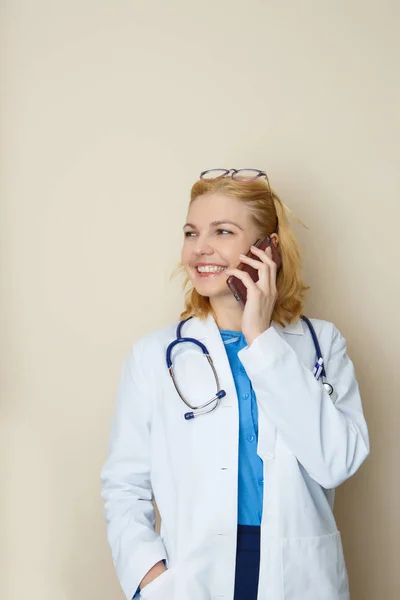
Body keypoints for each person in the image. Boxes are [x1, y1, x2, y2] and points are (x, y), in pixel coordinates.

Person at [100, 168, 369, 600]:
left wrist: (261, 338)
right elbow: (124, 486)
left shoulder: (322, 344)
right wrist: (150, 579)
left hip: (297, 574)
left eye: (222, 231)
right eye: (191, 232)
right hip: (192, 575)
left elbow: (335, 462)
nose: (199, 249)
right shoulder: (153, 356)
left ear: (268, 248)